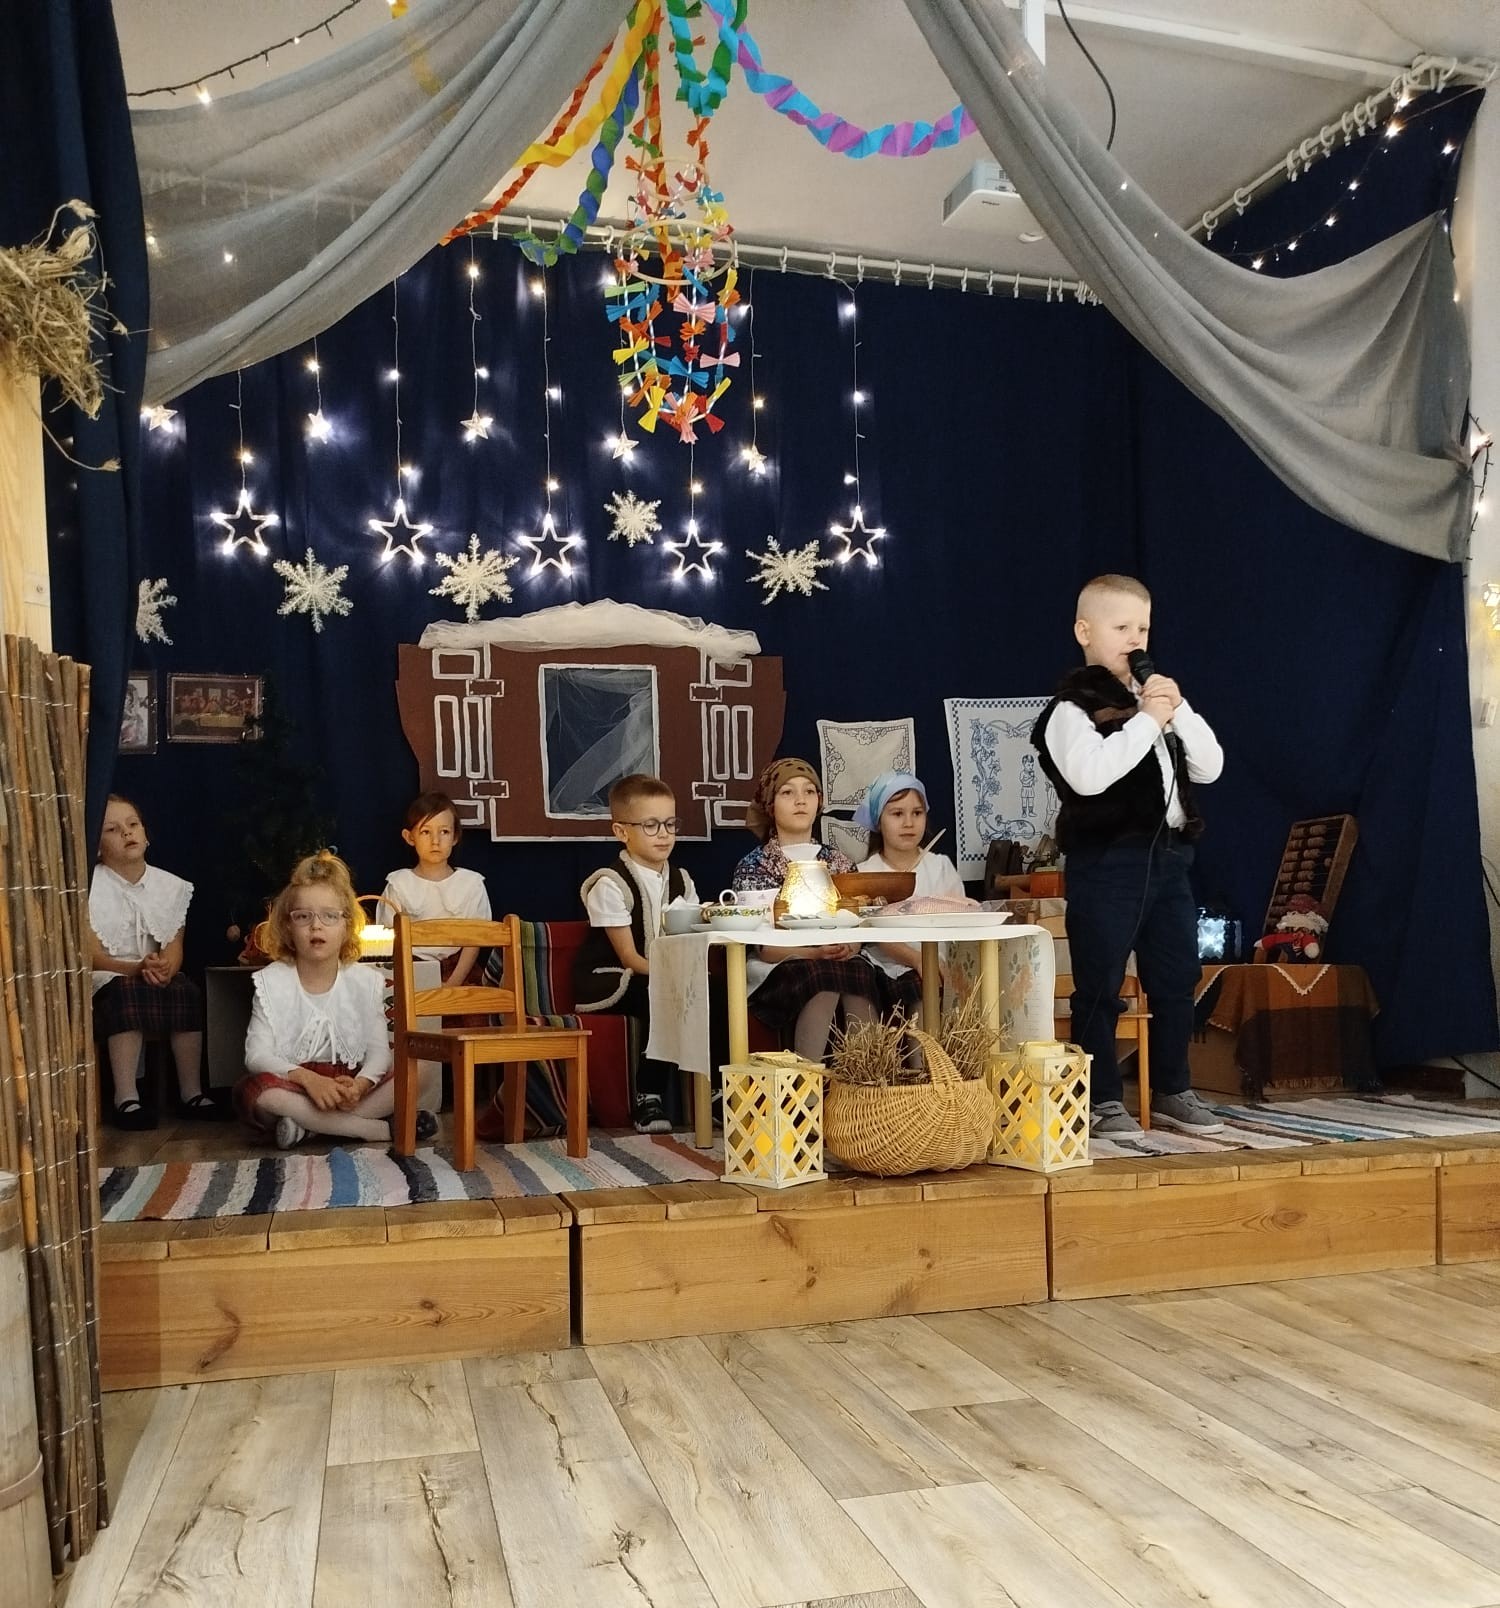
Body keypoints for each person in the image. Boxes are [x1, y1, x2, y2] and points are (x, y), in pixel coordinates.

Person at [1032, 573, 1225, 1136]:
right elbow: (1090, 777)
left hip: (1170, 859)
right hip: (1108, 861)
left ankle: (1172, 1088)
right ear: (1084, 632)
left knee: (1176, 976)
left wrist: (1176, 709)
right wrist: (1147, 721)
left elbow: (1210, 767)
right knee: (1101, 980)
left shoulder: (1155, 702)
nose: (1135, 639)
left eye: (1143, 627)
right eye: (1121, 627)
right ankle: (1100, 1099)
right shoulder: (1071, 709)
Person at [234, 851, 438, 1149]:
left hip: (348, 1088)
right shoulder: (272, 981)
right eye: (303, 916)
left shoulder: (365, 981)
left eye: (329, 916)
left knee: (423, 1066)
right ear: (288, 927)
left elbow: (378, 1052)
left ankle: (310, 1129)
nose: (316, 926)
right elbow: (256, 1055)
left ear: (346, 927)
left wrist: (361, 1084)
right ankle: (371, 1129)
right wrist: (309, 1080)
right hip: (294, 1086)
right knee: (259, 1093)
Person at [733, 758, 917, 1062]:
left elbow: (860, 921)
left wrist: (851, 946)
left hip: (837, 958)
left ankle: (866, 1074)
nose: (800, 800)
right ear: (770, 805)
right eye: (788, 792)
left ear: (819, 801)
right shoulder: (755, 866)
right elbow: (763, 947)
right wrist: (814, 952)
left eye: (809, 791)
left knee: (857, 969)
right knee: (824, 973)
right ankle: (806, 1081)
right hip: (781, 963)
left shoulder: (839, 862)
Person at [574, 774, 698, 1134]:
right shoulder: (610, 883)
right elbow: (629, 957)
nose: (664, 834)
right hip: (611, 979)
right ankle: (649, 1095)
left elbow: (689, 939)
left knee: (717, 992)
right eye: (651, 825)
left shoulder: (682, 879)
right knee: (664, 994)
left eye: (671, 823)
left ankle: (716, 1089)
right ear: (621, 831)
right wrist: (675, 978)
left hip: (658, 974)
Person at [89, 795, 212, 1129]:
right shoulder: (89, 889)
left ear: (146, 834)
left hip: (152, 972)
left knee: (185, 990)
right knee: (125, 991)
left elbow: (174, 945)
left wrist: (165, 968)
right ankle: (126, 1097)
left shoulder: (170, 887)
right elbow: (91, 955)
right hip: (108, 975)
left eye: (133, 824)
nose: (126, 833)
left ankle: (191, 1092)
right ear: (97, 846)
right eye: (112, 829)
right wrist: (135, 968)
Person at [855, 769, 966, 984]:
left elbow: (961, 922)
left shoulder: (941, 867)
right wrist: (916, 959)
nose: (909, 823)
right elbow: (872, 929)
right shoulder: (865, 873)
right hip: (881, 970)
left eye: (917, 813)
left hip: (940, 966)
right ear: (878, 821)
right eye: (897, 814)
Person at [378, 791, 491, 986]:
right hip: (411, 969)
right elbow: (390, 941)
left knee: (477, 1004)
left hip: (459, 970)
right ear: (409, 837)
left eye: (444, 832)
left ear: (455, 837)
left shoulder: (471, 884)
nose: (435, 841)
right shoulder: (399, 884)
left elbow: (474, 941)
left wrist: (453, 982)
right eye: (425, 832)